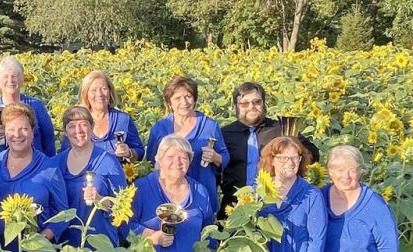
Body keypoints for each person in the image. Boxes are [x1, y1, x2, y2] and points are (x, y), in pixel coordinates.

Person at [0, 102, 69, 252]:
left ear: (32, 131)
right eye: (11, 129)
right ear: (5, 133)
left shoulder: (49, 168)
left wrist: (41, 239)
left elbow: (63, 214)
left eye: (24, 129)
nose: (17, 135)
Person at [220, 82, 320, 219]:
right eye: (244, 103)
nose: (251, 107)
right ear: (235, 107)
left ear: (264, 103)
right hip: (235, 206)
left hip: (277, 204)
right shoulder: (224, 134)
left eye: (256, 102)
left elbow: (313, 155)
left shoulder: (280, 129)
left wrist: (293, 144)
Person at [146, 76, 230, 214]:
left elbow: (225, 157)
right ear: (169, 102)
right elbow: (151, 161)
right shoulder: (160, 128)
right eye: (177, 98)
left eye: (188, 96)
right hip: (168, 196)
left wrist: (215, 157)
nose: (184, 102)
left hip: (202, 193)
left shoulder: (209, 125)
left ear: (195, 98)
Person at [57, 105, 126, 248]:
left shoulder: (109, 161)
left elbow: (123, 206)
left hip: (101, 248)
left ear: (92, 127)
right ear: (65, 131)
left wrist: (100, 199)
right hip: (66, 250)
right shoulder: (57, 163)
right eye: (71, 126)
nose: (78, 131)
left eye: (83, 124)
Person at [0, 56, 56, 157]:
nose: (10, 80)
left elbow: (49, 142)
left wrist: (50, 167)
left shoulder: (36, 106)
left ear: (22, 79)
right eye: (5, 76)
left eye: (14, 76)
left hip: (35, 168)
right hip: (1, 169)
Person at [60, 70, 144, 161]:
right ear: (86, 94)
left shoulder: (123, 119)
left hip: (118, 173)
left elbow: (140, 152)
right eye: (93, 90)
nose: (99, 94)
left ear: (110, 91)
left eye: (103, 89)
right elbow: (64, 155)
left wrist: (129, 153)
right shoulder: (76, 121)